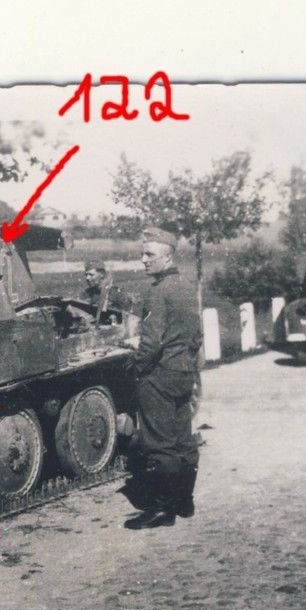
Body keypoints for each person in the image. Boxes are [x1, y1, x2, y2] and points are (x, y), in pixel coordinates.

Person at [123, 226, 202, 529]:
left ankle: (161, 508)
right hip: (183, 372)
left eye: (149, 254)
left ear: (167, 257)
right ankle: (184, 501)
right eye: (142, 254)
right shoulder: (185, 286)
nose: (143, 260)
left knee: (158, 443)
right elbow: (196, 334)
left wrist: (137, 366)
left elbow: (151, 342)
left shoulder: (158, 290)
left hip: (159, 375)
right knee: (182, 438)